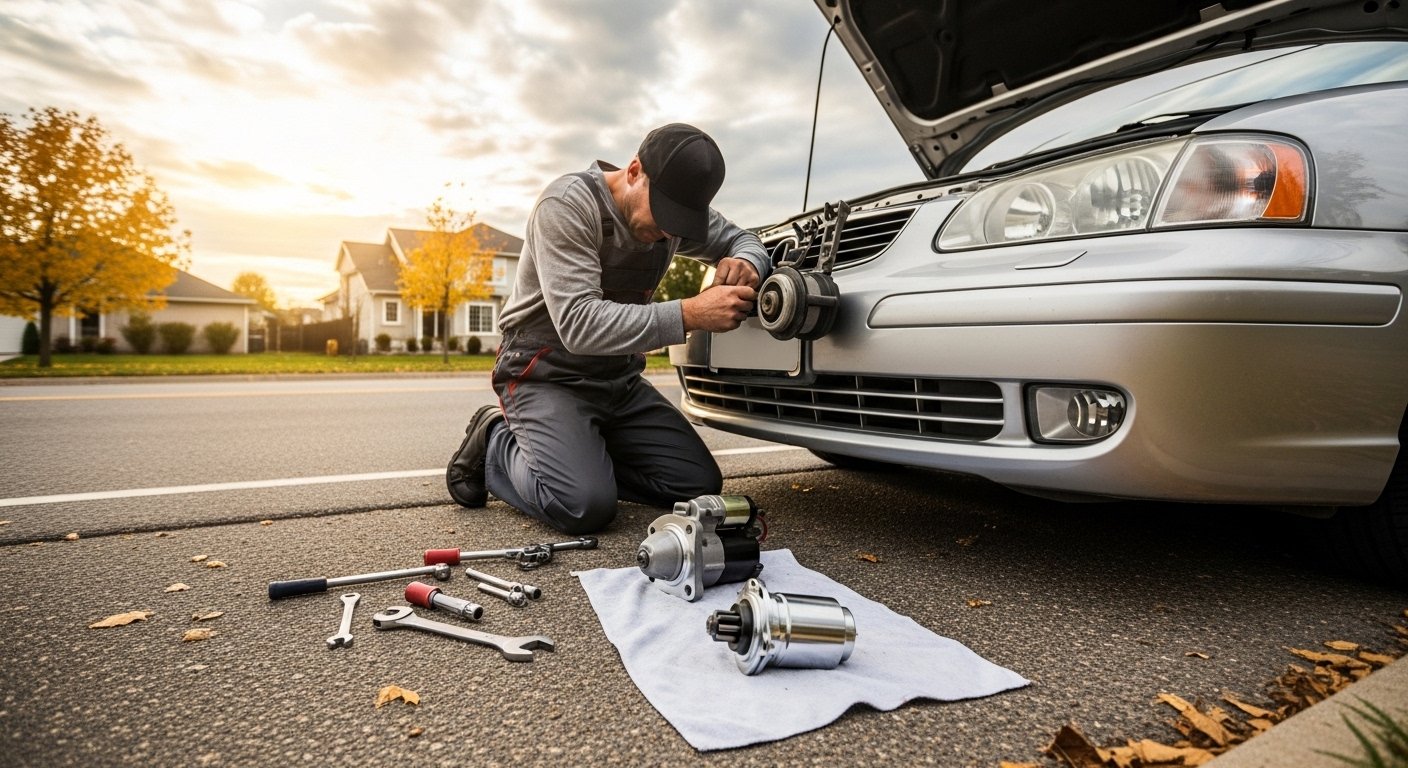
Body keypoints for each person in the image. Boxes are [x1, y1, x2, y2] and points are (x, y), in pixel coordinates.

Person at [446, 123, 770, 534]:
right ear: (634, 171)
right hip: (546, 375)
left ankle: (578, 457)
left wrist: (748, 262)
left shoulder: (676, 219)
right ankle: (495, 438)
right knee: (583, 506)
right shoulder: (567, 205)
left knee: (696, 485)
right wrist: (690, 314)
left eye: (681, 222)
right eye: (665, 215)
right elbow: (579, 325)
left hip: (618, 379)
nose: (670, 233)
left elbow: (746, 239)